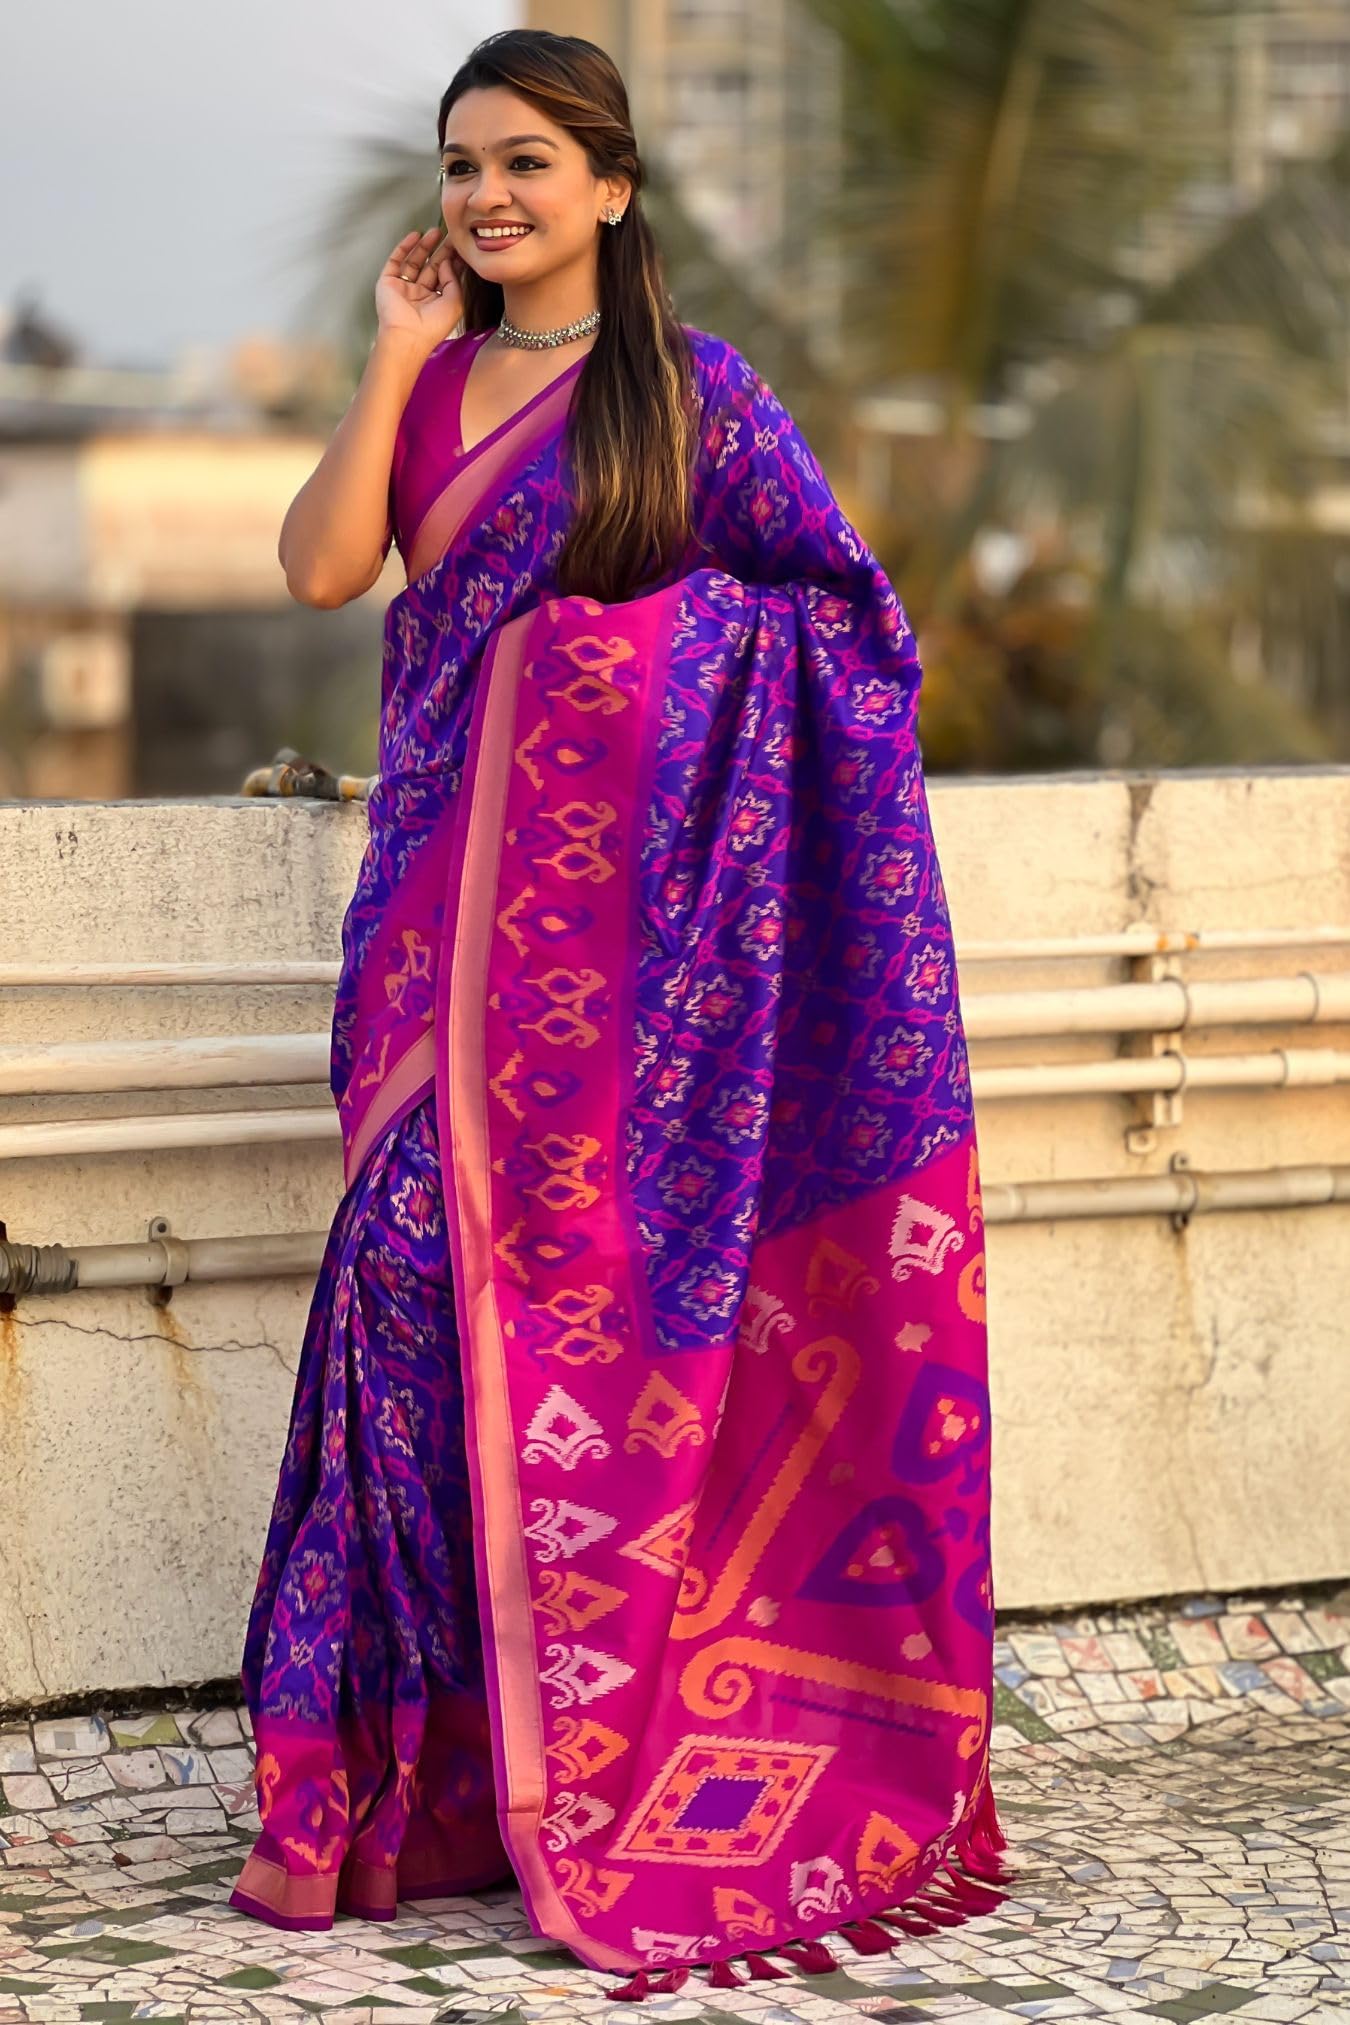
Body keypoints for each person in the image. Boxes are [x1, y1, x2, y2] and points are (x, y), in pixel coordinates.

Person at [229, 25, 1011, 2003]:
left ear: (612, 188)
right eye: (462, 163)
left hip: (643, 986)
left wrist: (610, 664)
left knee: (606, 1324)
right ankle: (424, 1785)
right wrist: (395, 353)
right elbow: (323, 569)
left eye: (527, 162)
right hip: (433, 934)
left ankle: (610, 1750)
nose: (488, 194)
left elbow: (847, 629)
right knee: (407, 1300)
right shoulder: (434, 385)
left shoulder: (695, 396)